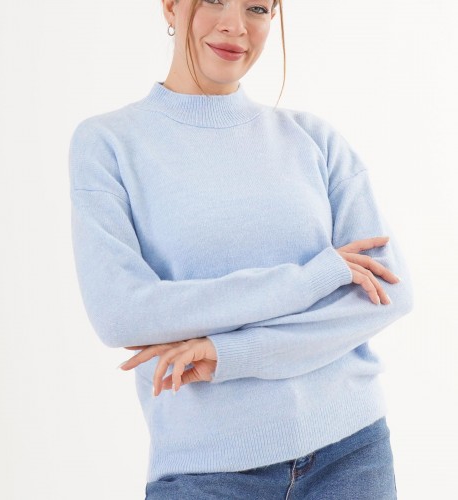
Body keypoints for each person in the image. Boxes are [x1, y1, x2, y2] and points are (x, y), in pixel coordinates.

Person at [68, 0, 413, 498]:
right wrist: (313, 279)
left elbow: (387, 292)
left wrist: (228, 352)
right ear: (170, 5)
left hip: (351, 454)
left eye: (256, 7)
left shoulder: (313, 138)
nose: (235, 25)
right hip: (207, 472)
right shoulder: (109, 143)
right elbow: (122, 313)